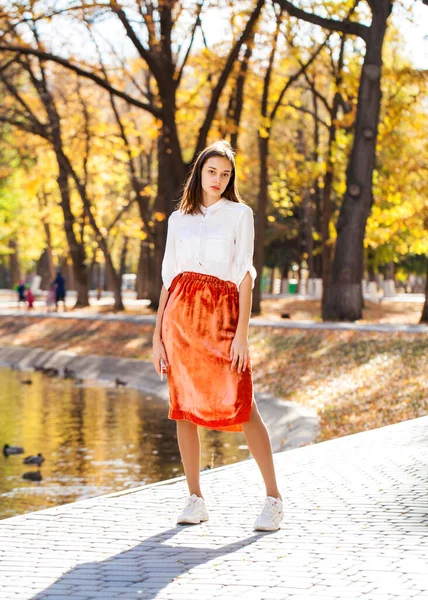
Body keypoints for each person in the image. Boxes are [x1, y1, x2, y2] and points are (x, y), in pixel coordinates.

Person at [152, 140, 283, 531]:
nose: (218, 180)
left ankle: (274, 499)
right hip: (180, 319)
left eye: (225, 174)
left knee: (244, 404)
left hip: (223, 314)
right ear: (199, 172)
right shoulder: (179, 219)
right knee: (184, 407)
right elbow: (168, 279)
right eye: (212, 172)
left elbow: (245, 274)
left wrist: (241, 333)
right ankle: (195, 499)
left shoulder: (240, 215)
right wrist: (157, 336)